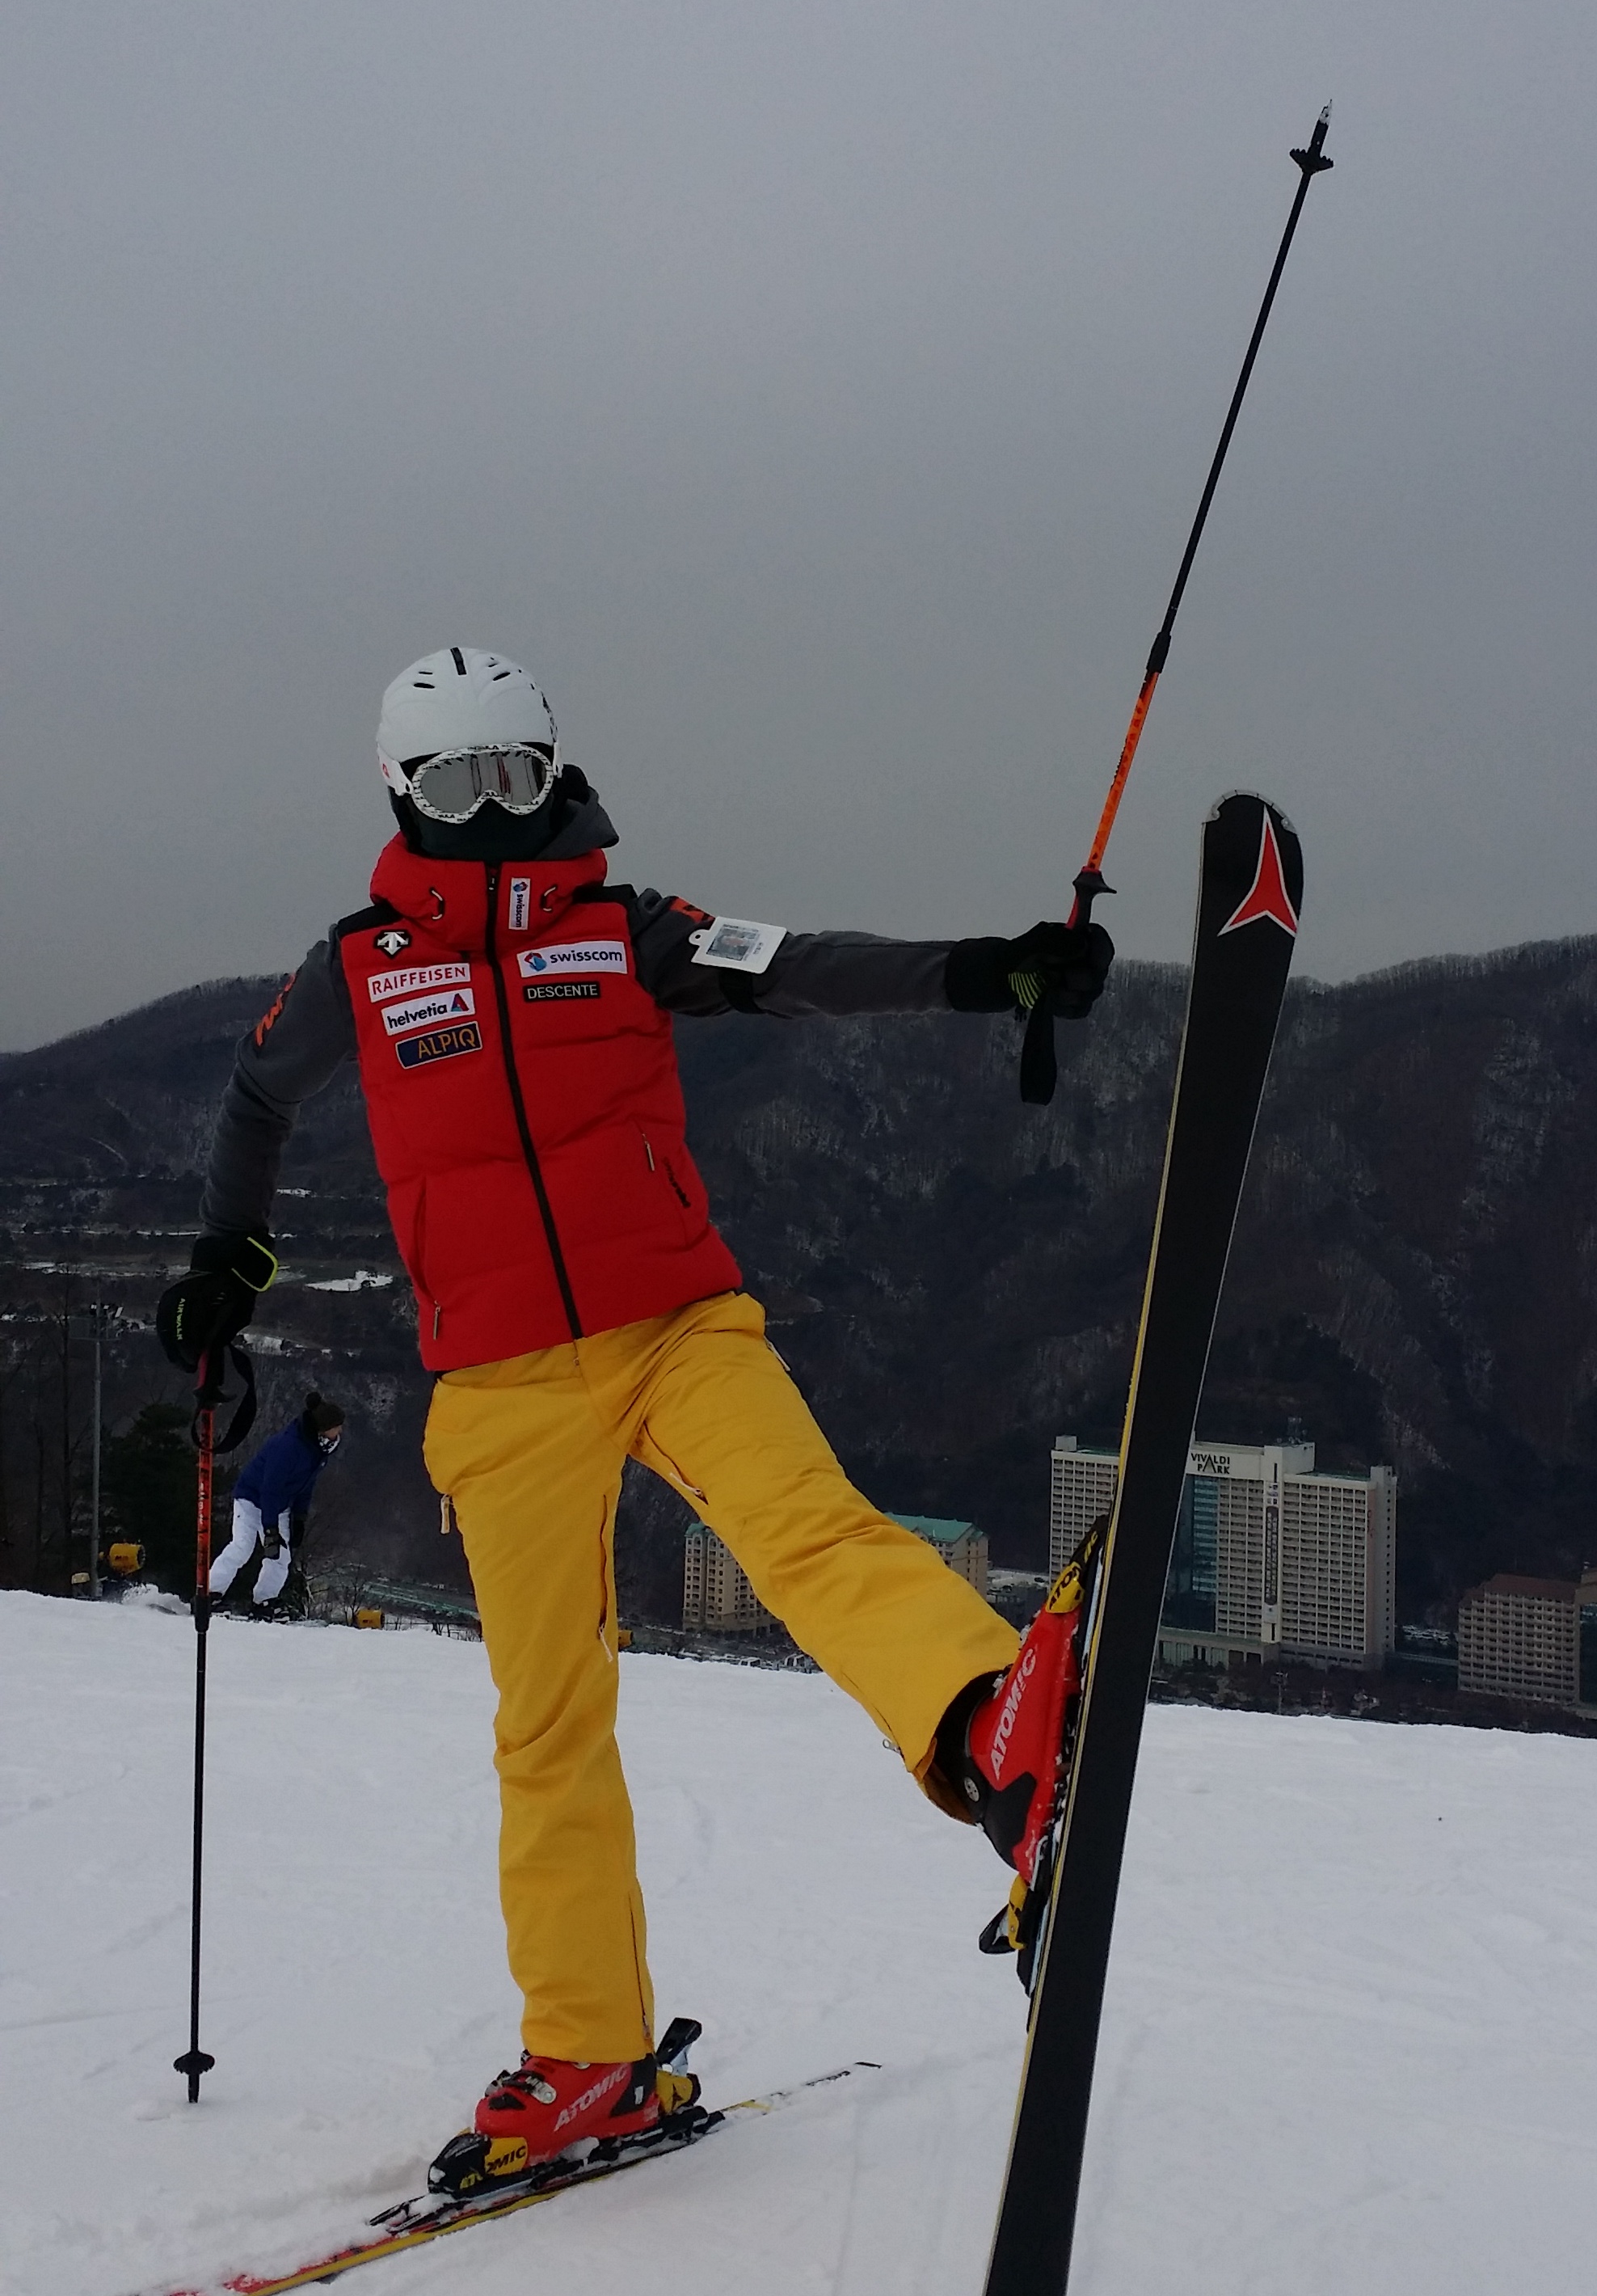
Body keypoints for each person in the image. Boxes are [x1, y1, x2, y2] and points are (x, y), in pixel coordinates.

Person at [157, 647, 1111, 2193]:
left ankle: (987, 1726)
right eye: (455, 788)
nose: (489, 815)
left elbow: (802, 961)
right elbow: (257, 1101)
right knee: (546, 1721)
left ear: (554, 769)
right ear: (402, 796)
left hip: (674, 1322)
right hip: (502, 1383)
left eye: (515, 779)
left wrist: (982, 966)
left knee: (807, 1527)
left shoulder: (624, 928)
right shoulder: (360, 964)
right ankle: (589, 2047)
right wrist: (224, 1256)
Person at [208, 1390, 344, 1613]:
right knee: (242, 1547)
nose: (340, 1431)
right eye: (337, 1427)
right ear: (323, 1428)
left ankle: (264, 1601)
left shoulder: (319, 1450)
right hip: (251, 1498)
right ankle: (209, 1593)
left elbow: (305, 1485)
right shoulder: (288, 1447)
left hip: (279, 1505)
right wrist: (270, 1528)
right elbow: (270, 1489)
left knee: (280, 1556)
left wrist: (299, 1517)